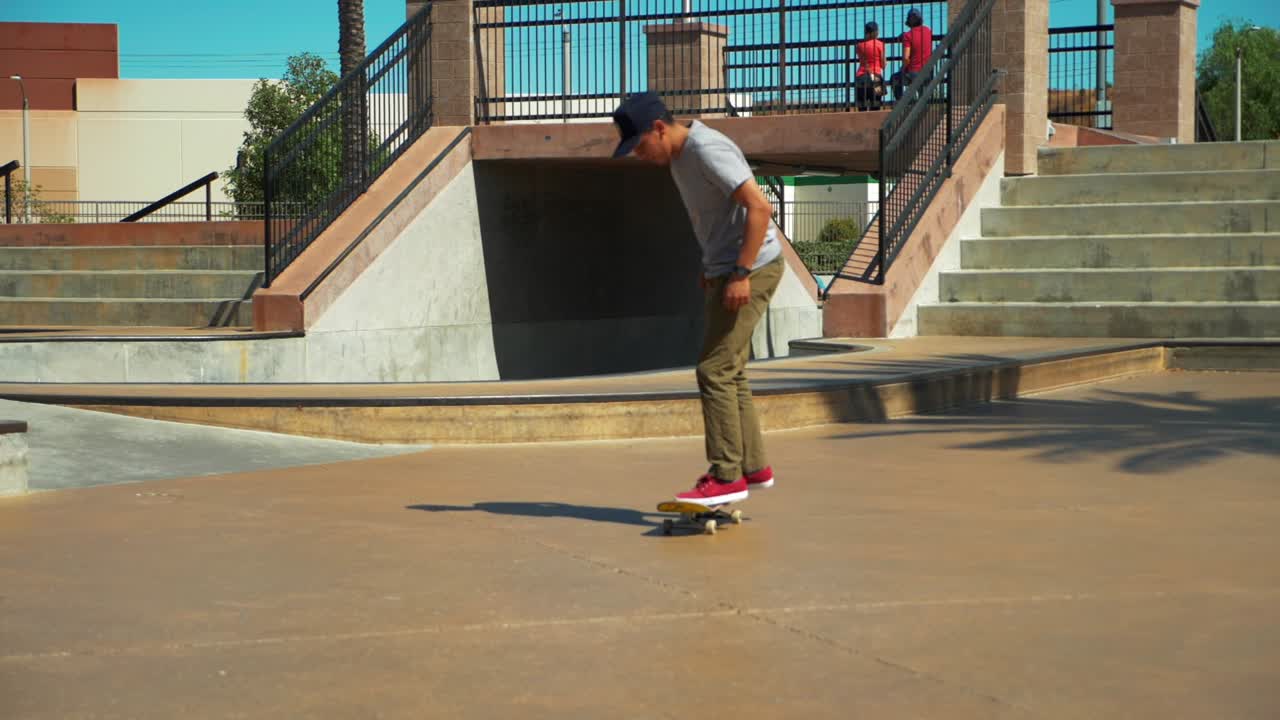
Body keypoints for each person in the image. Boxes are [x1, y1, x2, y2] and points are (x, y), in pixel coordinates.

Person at [610, 91, 783, 506]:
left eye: (639, 147)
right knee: (731, 369)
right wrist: (713, 269)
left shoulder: (706, 149)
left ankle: (726, 475)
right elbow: (718, 218)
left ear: (658, 128)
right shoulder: (679, 156)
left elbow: (760, 208)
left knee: (714, 370)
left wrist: (740, 273)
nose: (638, 156)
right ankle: (753, 467)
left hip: (753, 268)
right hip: (727, 270)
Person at [891, 8, 934, 103]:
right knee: (923, 99)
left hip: (914, 73)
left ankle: (901, 103)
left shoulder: (908, 36)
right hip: (928, 72)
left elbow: (906, 57)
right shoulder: (928, 31)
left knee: (895, 78)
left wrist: (902, 69)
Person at [854, 21, 886, 111]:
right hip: (875, 76)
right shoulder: (880, 44)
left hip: (861, 76)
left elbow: (861, 58)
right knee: (875, 107)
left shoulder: (859, 46)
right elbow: (883, 64)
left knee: (862, 108)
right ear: (876, 32)